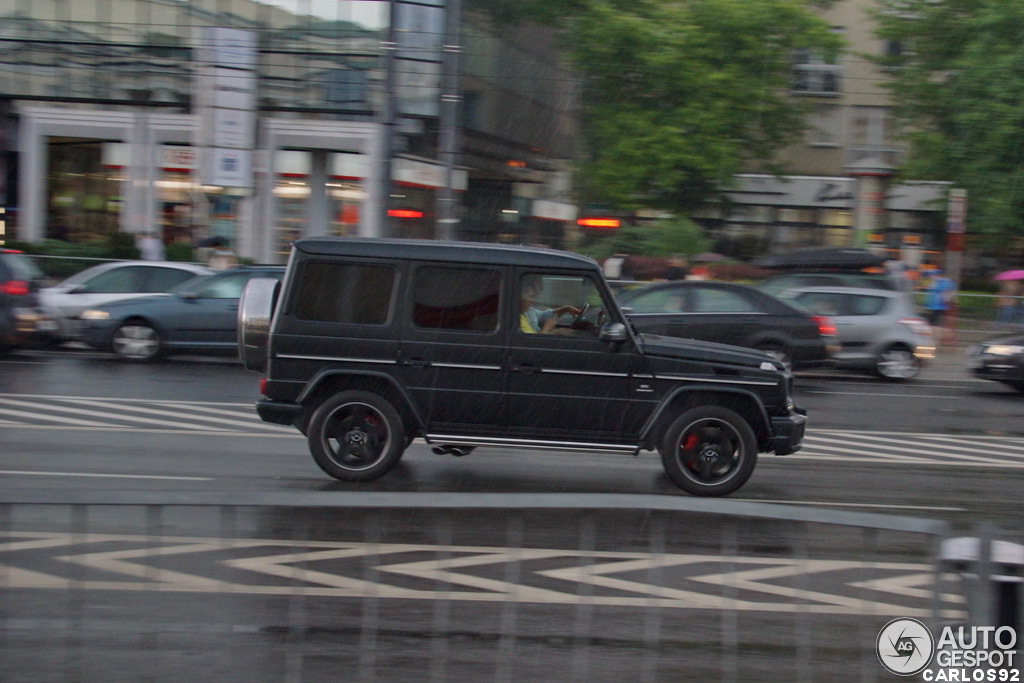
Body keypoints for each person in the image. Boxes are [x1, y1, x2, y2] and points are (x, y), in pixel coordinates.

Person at [923, 269, 956, 343]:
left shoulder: (945, 282)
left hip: (939, 307)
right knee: (933, 324)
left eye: (933, 275)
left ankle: (939, 338)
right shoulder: (934, 283)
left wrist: (946, 297)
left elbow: (950, 291)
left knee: (935, 325)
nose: (931, 277)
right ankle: (937, 338)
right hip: (933, 307)